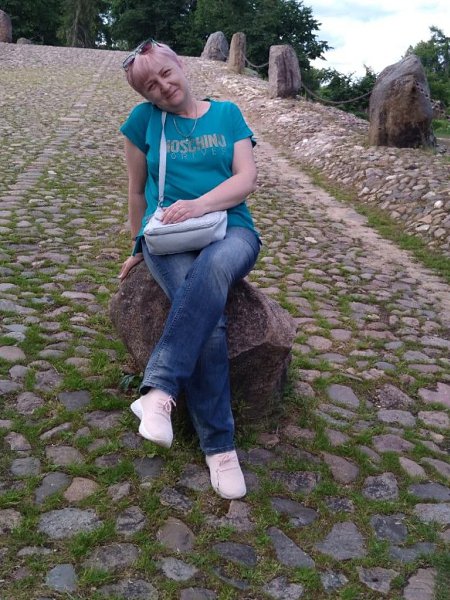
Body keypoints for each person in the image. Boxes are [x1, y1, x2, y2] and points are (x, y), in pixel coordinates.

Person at [118, 39, 260, 500]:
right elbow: (136, 191)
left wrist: (199, 204)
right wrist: (138, 245)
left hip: (231, 229)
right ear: (144, 95)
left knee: (214, 269)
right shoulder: (143, 122)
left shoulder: (228, 115)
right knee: (208, 320)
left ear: (180, 65)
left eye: (165, 73)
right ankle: (220, 447)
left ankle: (158, 391)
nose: (162, 86)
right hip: (168, 238)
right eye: (150, 85)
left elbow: (246, 178)